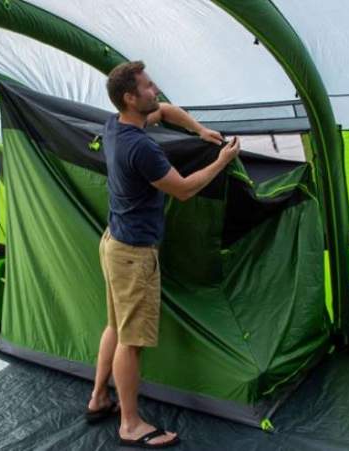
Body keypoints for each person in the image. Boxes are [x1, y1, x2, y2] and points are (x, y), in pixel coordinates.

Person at [86, 61, 240, 448]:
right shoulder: (141, 148)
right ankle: (129, 423)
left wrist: (200, 130)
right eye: (148, 86)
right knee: (131, 342)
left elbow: (167, 111)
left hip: (113, 242)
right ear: (129, 97)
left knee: (115, 326)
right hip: (134, 253)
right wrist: (221, 160)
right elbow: (184, 189)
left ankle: (98, 398)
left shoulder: (115, 126)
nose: (156, 91)